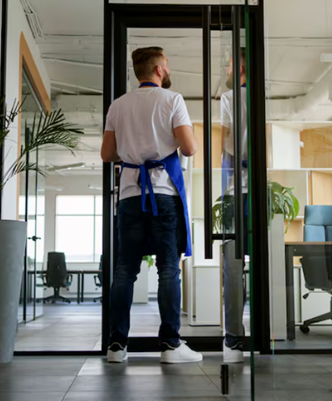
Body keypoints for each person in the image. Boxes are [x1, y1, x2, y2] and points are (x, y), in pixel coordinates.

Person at [101, 46, 202, 364]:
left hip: (130, 195)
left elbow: (107, 154)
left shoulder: (118, 105)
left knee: (125, 271)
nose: (168, 69)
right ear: (159, 69)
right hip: (164, 195)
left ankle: (116, 346)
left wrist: (134, 152)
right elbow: (189, 148)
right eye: (167, 64)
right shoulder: (173, 101)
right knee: (169, 269)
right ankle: (170, 346)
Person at [220, 48, 248, 364]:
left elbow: (226, 142)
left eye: (229, 64)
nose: (226, 68)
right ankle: (269, 332)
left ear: (240, 67)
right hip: (256, 190)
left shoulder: (229, 98)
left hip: (234, 191)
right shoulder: (261, 97)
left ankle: (234, 335)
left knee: (232, 266)